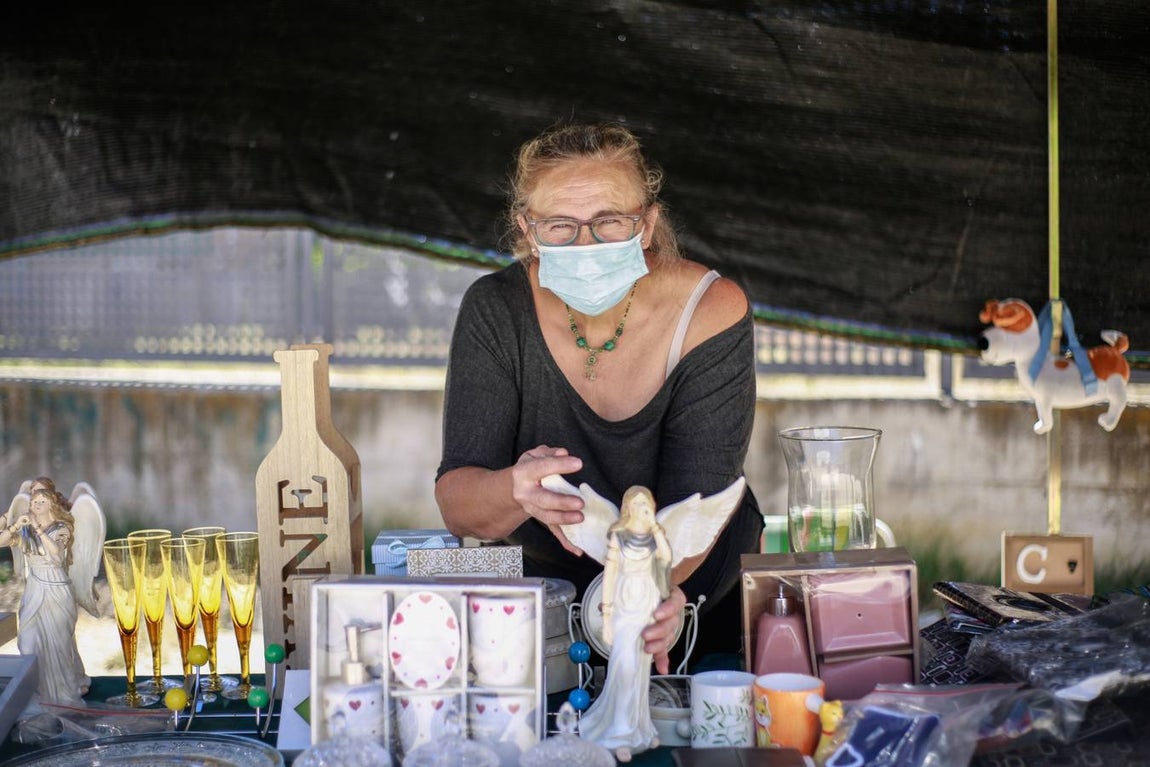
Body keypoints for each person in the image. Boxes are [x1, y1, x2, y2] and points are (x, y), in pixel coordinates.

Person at [435, 122, 763, 672]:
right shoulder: (496, 309)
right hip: (540, 615)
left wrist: (654, 592)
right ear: (527, 230)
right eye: (560, 225)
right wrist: (513, 490)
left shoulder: (711, 310)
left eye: (609, 221)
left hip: (689, 592)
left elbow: (698, 503)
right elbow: (459, 507)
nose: (585, 244)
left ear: (647, 224)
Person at [577, 486, 670, 760]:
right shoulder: (619, 536)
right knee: (624, 665)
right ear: (628, 506)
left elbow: (665, 560)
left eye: (647, 504)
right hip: (625, 603)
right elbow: (610, 575)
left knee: (641, 668)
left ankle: (639, 728)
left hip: (647, 602)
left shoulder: (654, 537)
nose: (644, 508)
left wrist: (656, 529)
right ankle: (618, 732)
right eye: (639, 504)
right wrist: (606, 616)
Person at [0, 487, 90, 705]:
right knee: (28, 644)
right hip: (34, 592)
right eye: (33, 503)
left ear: (51, 505)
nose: (35, 506)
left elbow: (56, 553)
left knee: (59, 646)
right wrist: (15, 525)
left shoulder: (62, 528)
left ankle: (64, 696)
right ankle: (38, 693)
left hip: (56, 591)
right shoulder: (26, 532)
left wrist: (38, 529)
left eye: (41, 502)